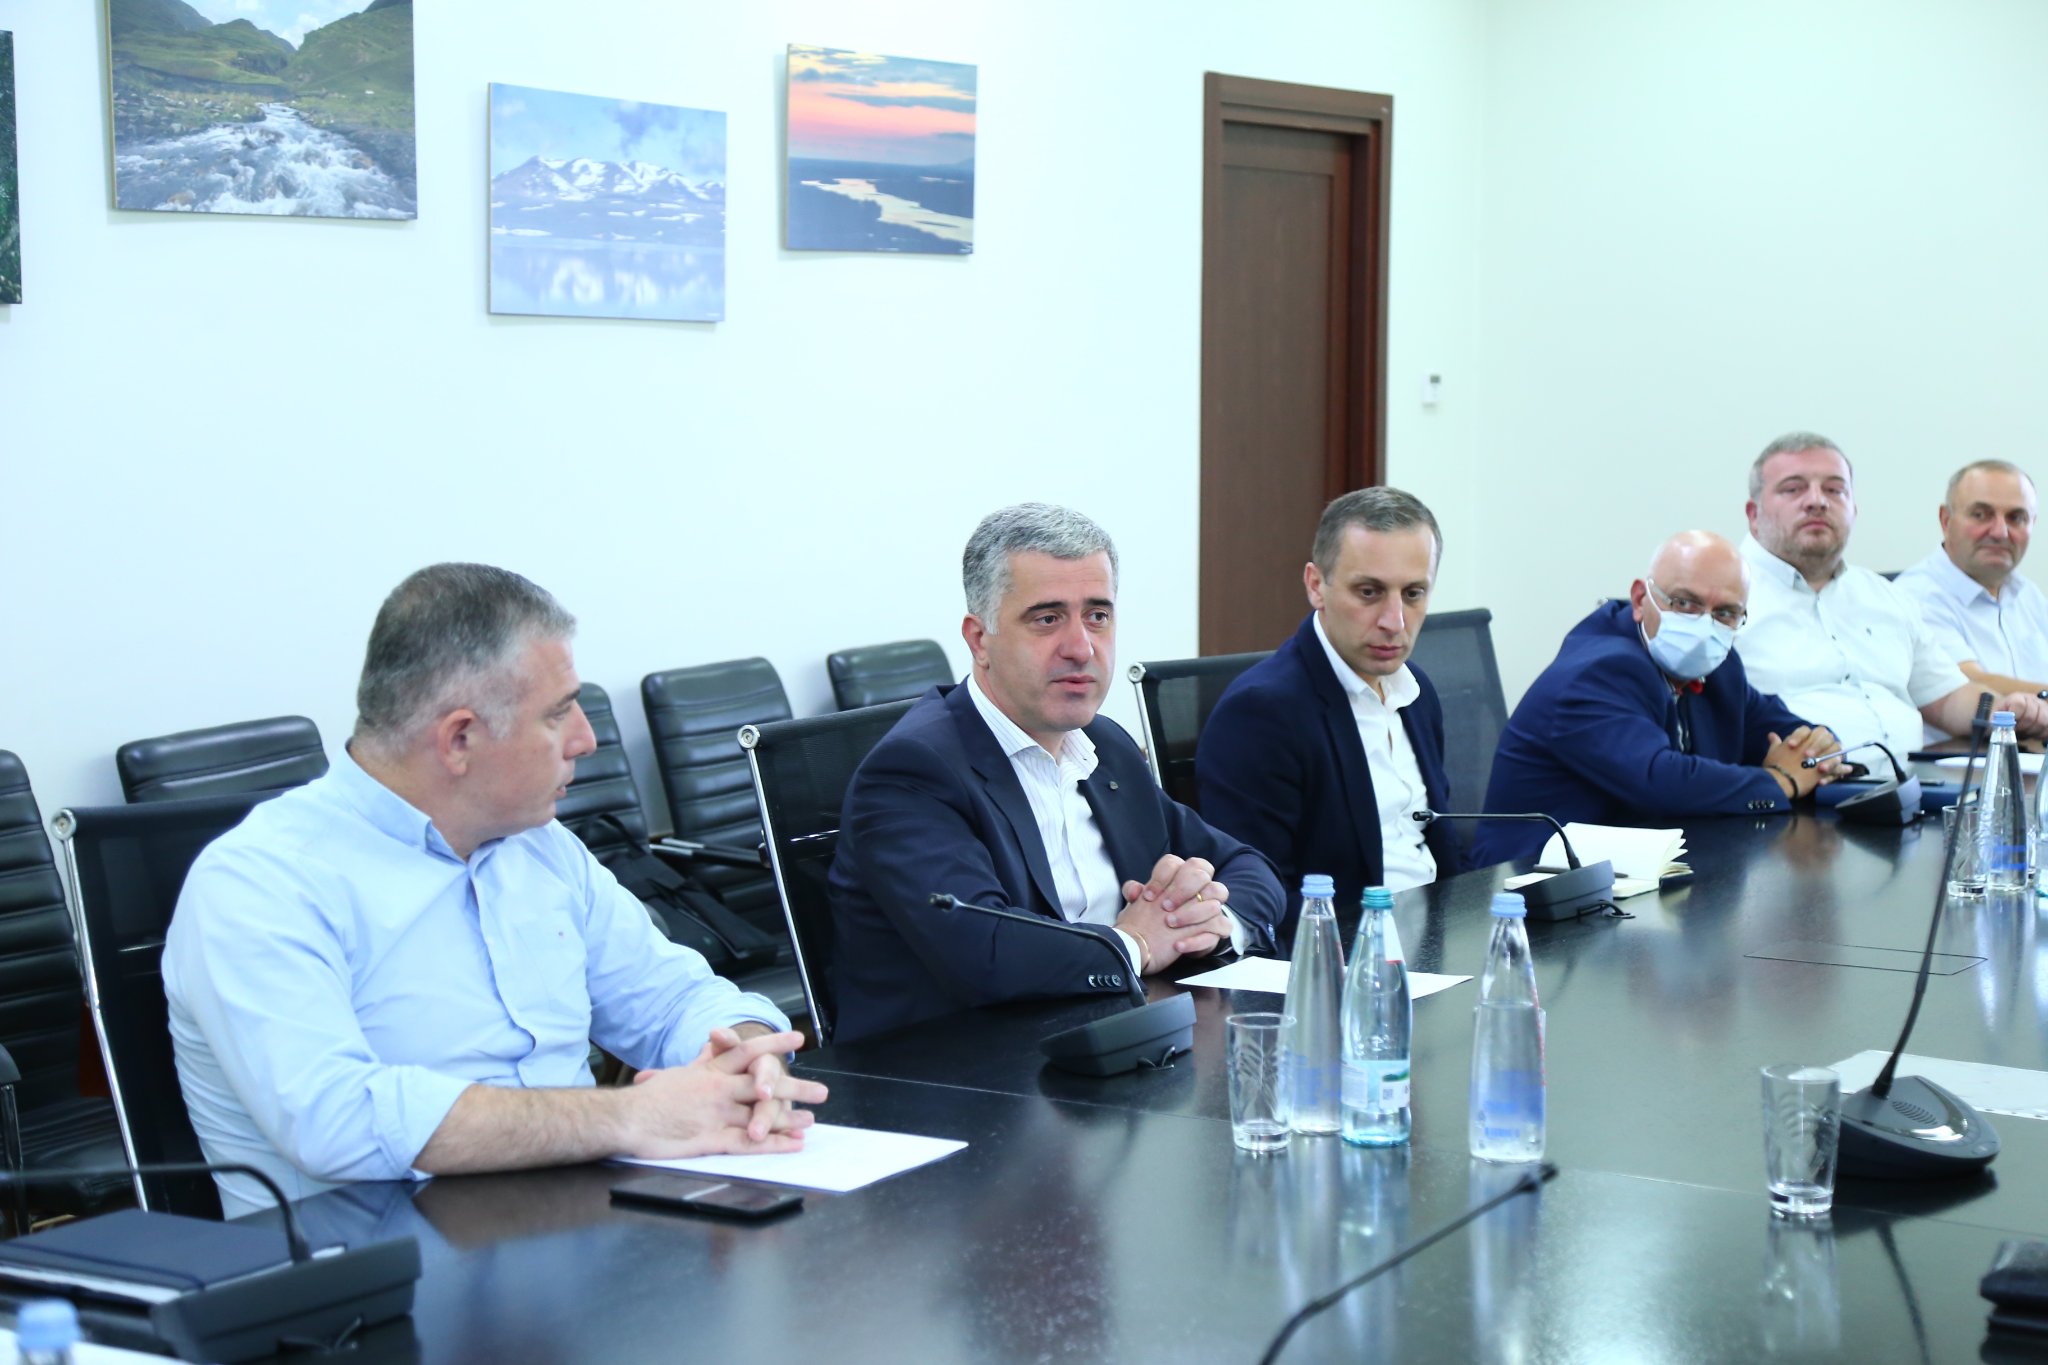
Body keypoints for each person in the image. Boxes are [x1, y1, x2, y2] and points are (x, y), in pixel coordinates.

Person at [165, 564, 826, 1216]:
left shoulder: (540, 847)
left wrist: (745, 1054)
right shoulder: (260, 882)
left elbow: (671, 997)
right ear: (460, 738)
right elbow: (334, 1119)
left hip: (580, 1226)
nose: (585, 739)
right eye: (558, 713)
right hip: (382, 1261)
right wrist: (630, 1116)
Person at [827, 504, 1287, 1043]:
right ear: (979, 639)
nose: (1081, 648)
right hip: (957, 1068)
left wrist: (1208, 924)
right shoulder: (914, 771)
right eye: (1047, 619)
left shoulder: (1105, 745)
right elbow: (984, 951)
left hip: (1111, 1038)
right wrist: (1136, 944)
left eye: (1098, 616)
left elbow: (1245, 866)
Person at [1474, 531, 1842, 865]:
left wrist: (1820, 750)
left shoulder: (1720, 666)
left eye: (1725, 613)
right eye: (1685, 603)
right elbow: (1660, 780)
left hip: (1651, 868)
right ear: (1640, 599)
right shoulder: (1597, 672)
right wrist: (1782, 780)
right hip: (1536, 882)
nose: (1705, 627)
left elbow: (1783, 730)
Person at [1196, 487, 1459, 920]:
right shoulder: (1261, 714)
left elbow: (1439, 847)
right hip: (1345, 947)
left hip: (1439, 929)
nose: (1394, 621)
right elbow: (1258, 897)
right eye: (1369, 592)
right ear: (1316, 586)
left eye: (1413, 594)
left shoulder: (1417, 692)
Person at [1734, 432, 2048, 756]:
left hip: (1913, 781)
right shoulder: (1724, 598)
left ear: (1854, 510)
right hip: (1793, 783)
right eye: (1793, 489)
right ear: (1754, 514)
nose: (1817, 501)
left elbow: (1948, 697)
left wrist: (2007, 711)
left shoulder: (1885, 597)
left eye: (1834, 490)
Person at [1895, 460, 2048, 697]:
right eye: (1981, 515)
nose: (2000, 532)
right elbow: (1966, 685)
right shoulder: (1914, 598)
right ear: (1946, 520)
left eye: (2016, 518)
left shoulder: (2028, 594)